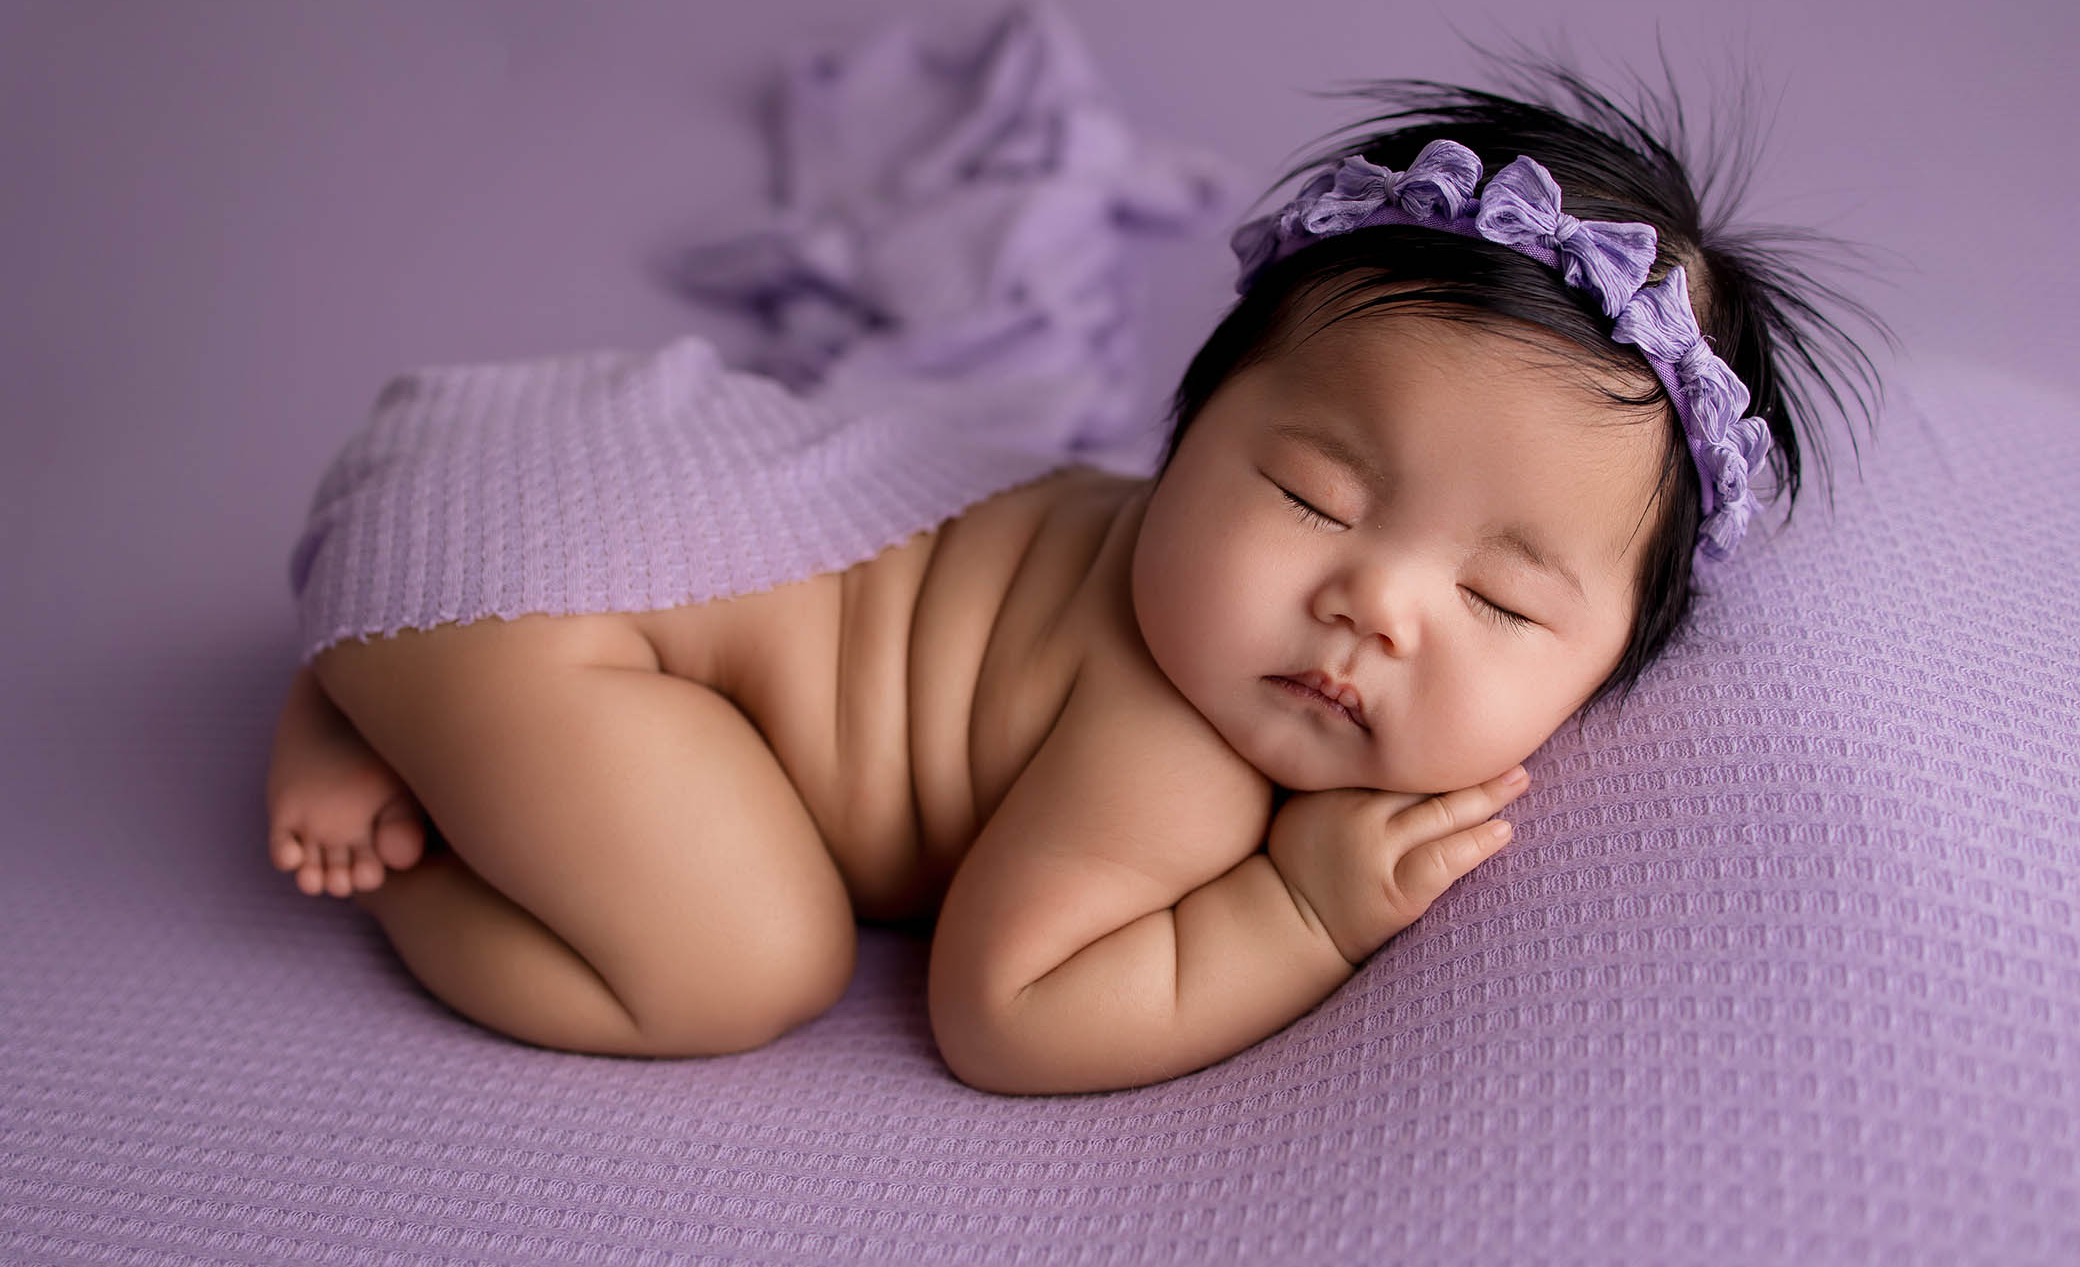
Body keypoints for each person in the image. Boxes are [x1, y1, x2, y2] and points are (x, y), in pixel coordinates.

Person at [263, 64, 1880, 1094]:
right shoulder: (1170, 741)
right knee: (737, 966)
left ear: (1610, 657)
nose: (1375, 604)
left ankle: (406, 676)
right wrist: (1296, 909)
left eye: (1507, 603)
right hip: (537, 597)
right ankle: (396, 751)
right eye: (1313, 492)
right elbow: (1010, 1012)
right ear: (1186, 432)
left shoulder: (1195, 598)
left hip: (576, 496)